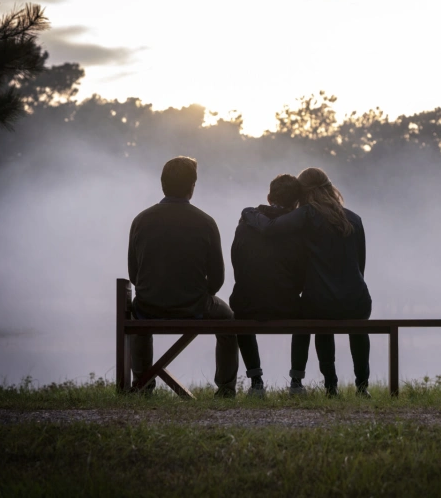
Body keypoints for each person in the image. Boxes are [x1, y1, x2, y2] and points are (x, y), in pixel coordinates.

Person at [242, 167, 372, 396]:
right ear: (329, 187)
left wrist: (249, 212)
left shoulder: (307, 214)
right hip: (358, 301)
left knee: (320, 316)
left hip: (321, 303)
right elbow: (360, 266)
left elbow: (270, 228)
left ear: (304, 192)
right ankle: (362, 387)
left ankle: (331, 387)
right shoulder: (354, 218)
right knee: (358, 329)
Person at [127, 156, 238, 397]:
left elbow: (134, 274)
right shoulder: (206, 222)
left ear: (162, 184)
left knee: (136, 316)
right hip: (194, 306)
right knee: (229, 320)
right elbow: (217, 278)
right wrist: (198, 296)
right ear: (192, 186)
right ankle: (226, 389)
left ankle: (142, 385)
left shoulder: (141, 220)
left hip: (149, 306)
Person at [229, 174, 306, 397]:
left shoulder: (245, 225)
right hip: (287, 305)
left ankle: (256, 383)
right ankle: (296, 383)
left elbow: (237, 265)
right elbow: (302, 275)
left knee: (240, 311)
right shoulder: (298, 229)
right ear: (296, 203)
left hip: (248, 304)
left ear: (269, 197)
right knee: (307, 312)